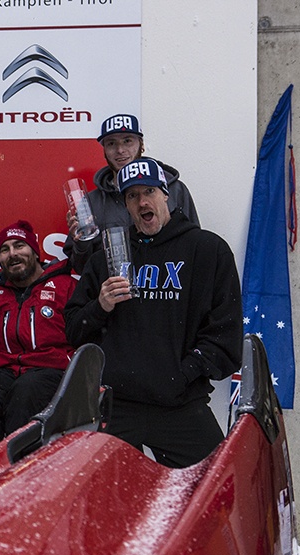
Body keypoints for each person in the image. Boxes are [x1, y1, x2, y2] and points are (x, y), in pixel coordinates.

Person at [64, 158, 242, 467]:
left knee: (218, 482)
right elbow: (73, 329)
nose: (142, 202)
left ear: (166, 195)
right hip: (118, 406)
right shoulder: (107, 257)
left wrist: (183, 374)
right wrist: (100, 306)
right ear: (126, 205)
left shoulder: (208, 250)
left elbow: (226, 334)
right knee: (93, 487)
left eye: (149, 191)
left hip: (180, 404)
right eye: (132, 196)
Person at [0, 221, 76, 465]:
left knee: (26, 392)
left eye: (19, 246)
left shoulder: (65, 286)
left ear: (35, 252)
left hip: (52, 372)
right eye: (4, 249)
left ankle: (25, 476)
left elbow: (83, 336)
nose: (12, 253)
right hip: (6, 372)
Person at [66, 113, 199, 272]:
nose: (120, 150)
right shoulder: (91, 203)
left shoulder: (175, 189)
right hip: (116, 285)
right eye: (111, 143)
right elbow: (82, 269)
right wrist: (81, 245)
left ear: (141, 145)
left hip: (169, 283)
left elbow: (195, 247)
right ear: (104, 151)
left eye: (127, 141)